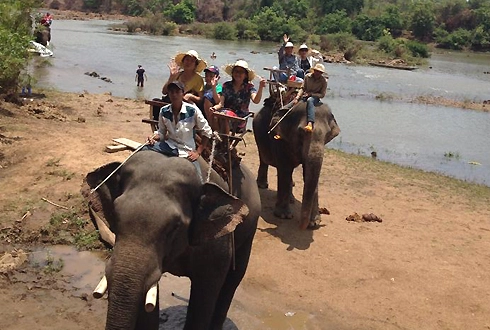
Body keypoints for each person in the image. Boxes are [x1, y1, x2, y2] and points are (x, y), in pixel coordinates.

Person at [148, 81, 212, 162]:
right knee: (145, 149)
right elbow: (162, 132)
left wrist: (198, 152)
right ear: (168, 94)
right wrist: (153, 137)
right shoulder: (164, 111)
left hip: (187, 150)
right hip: (169, 146)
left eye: (177, 92)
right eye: (171, 92)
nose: (174, 95)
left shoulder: (192, 110)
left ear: (183, 93)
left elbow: (207, 131)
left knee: (197, 173)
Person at [210, 60, 266, 133]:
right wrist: (214, 108)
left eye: (241, 72)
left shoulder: (248, 87)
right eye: (236, 71)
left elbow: (256, 100)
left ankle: (225, 141)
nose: (238, 74)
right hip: (225, 115)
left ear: (245, 75)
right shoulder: (226, 85)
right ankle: (219, 136)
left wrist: (261, 87)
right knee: (217, 116)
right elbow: (221, 103)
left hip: (240, 119)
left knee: (225, 115)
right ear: (232, 73)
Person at [277, 63, 328, 135]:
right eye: (317, 71)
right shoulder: (307, 77)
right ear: (314, 70)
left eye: (320, 72)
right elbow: (302, 88)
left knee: (310, 100)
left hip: (314, 98)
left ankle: (310, 123)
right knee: (289, 106)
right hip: (304, 95)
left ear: (322, 73)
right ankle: (280, 127)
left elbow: (322, 94)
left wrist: (311, 94)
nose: (318, 73)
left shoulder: (323, 81)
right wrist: (297, 98)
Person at [201, 65, 222, 130]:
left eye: (211, 76)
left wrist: (213, 87)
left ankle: (210, 127)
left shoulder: (218, 87)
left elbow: (217, 101)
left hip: (212, 108)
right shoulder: (204, 85)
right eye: (206, 76)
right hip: (202, 106)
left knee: (207, 98)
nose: (208, 78)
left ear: (217, 78)